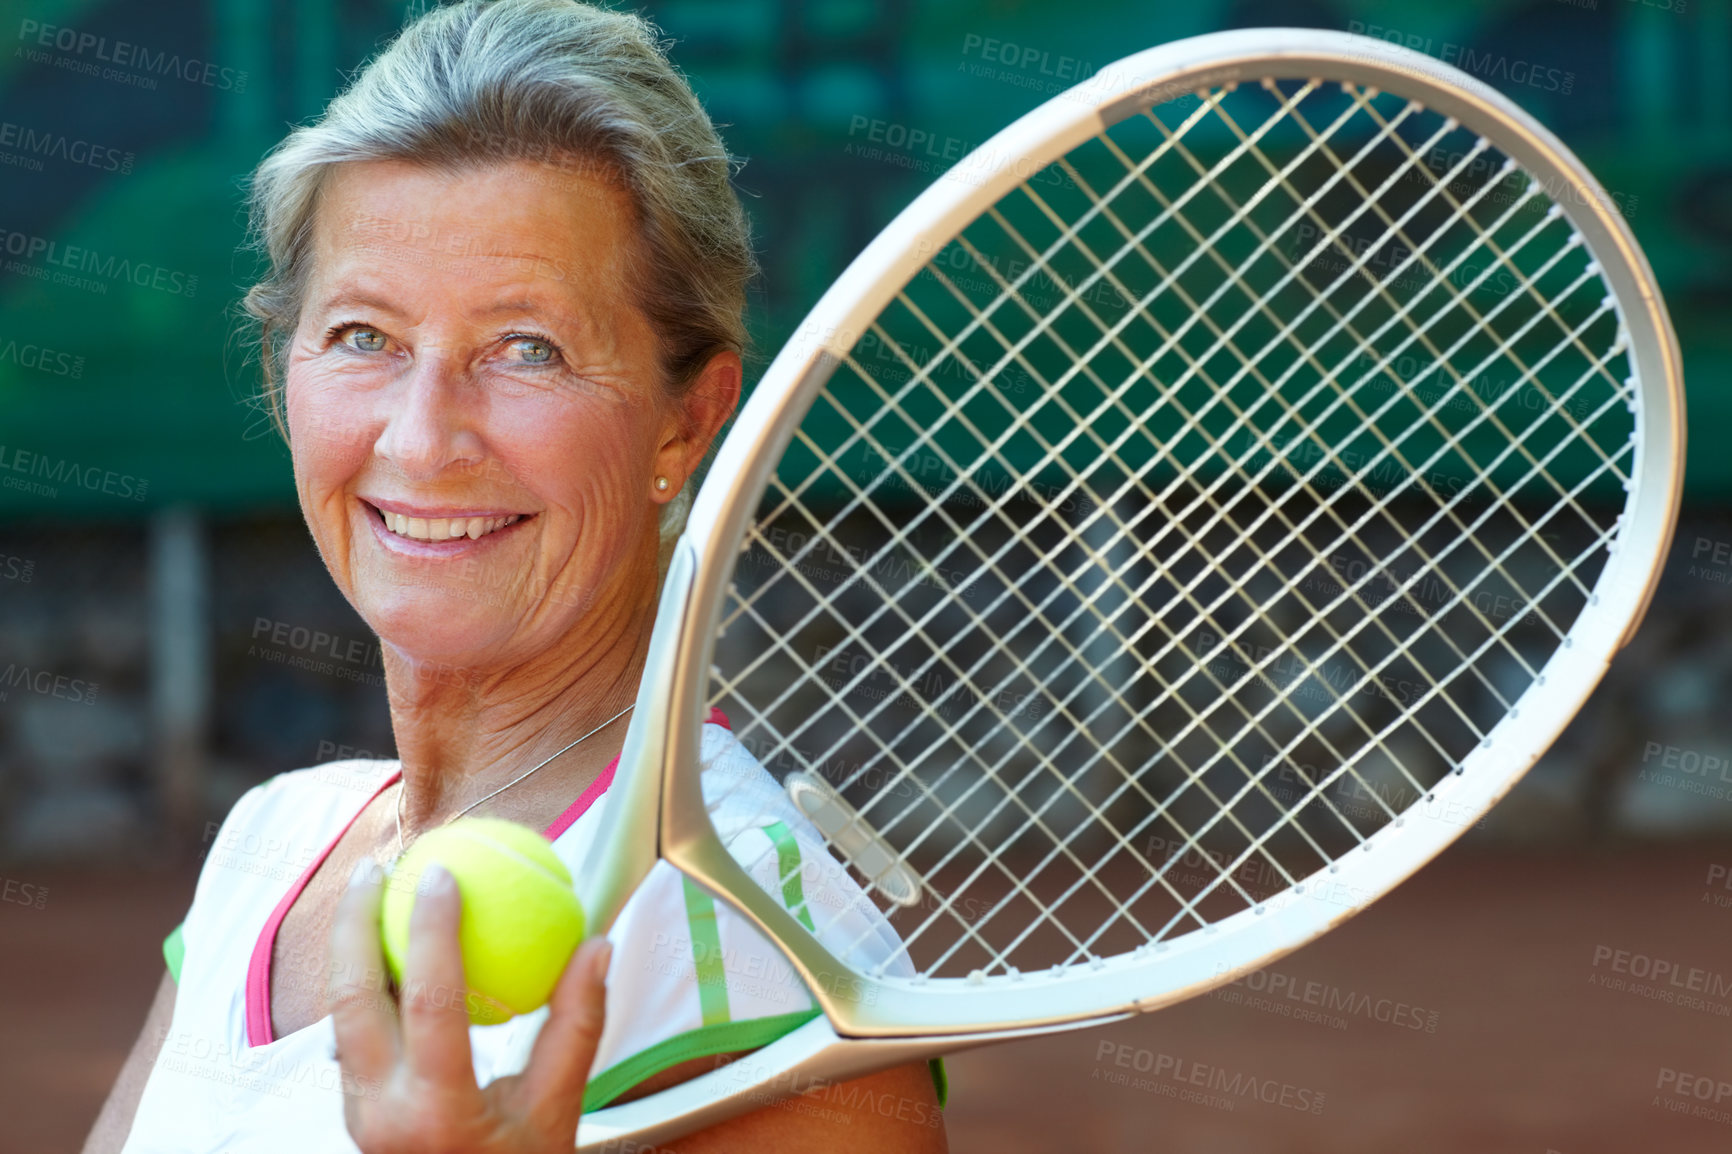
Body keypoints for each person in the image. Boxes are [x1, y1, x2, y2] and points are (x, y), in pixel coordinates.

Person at [80, 1, 948, 1149]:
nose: (423, 437)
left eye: (525, 347)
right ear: (280, 369)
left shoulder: (751, 936)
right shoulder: (268, 844)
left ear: (685, 423)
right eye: (362, 336)